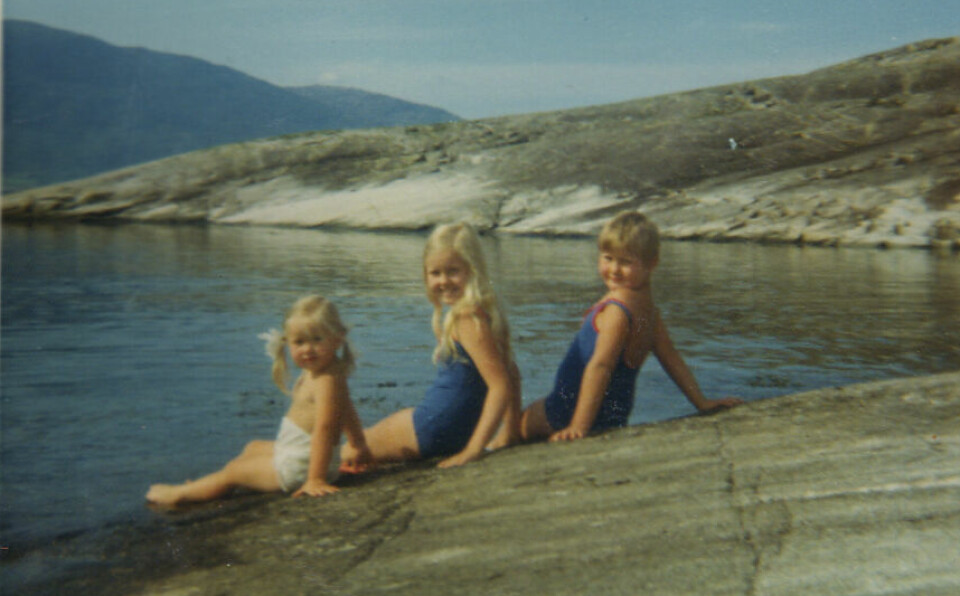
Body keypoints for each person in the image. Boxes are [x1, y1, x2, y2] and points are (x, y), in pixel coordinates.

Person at [516, 211, 742, 443]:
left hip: (566, 412)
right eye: (608, 258)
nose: (614, 269)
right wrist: (701, 402)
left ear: (651, 263)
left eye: (625, 262)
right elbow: (671, 358)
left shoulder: (617, 311)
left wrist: (578, 426)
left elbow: (601, 366)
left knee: (517, 424)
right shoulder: (649, 312)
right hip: (614, 415)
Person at [146, 295, 372, 506]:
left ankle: (181, 494)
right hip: (299, 454)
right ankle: (207, 485)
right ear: (288, 343)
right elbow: (346, 409)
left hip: (301, 468)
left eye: (317, 339)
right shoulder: (323, 371)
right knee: (252, 447)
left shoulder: (326, 380)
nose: (307, 349)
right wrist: (358, 444)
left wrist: (315, 479)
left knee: (233, 472)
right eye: (299, 342)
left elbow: (325, 428)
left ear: (337, 339)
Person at [341, 222, 521, 469]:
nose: (443, 281)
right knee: (363, 449)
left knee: (349, 450)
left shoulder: (466, 318)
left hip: (435, 428)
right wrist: (510, 432)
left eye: (453, 271)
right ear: (425, 274)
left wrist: (473, 450)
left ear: (473, 270)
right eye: (435, 273)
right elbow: (511, 373)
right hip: (450, 428)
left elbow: (499, 386)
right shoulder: (485, 312)